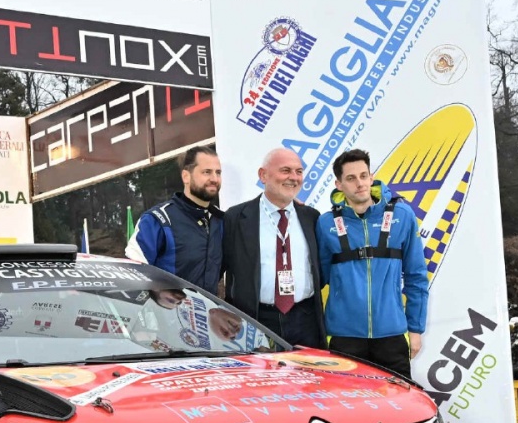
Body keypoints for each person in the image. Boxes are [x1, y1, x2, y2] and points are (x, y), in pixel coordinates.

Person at [315, 148, 427, 379]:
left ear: (371, 177)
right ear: (338, 184)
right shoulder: (325, 223)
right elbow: (319, 278)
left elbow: (416, 276)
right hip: (343, 337)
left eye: (364, 176)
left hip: (392, 335)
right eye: (351, 178)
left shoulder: (403, 216)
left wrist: (415, 329)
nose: (359, 183)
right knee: (347, 411)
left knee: (398, 410)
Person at [222, 148, 324, 347]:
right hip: (256, 321)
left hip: (306, 320)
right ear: (263, 175)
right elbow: (220, 268)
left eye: (299, 172)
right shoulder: (236, 218)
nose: (293, 178)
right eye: (285, 170)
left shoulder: (311, 217)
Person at [125, 145, 224, 294]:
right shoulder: (158, 219)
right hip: (164, 315)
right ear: (186, 176)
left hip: (207, 315)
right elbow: (131, 276)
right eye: (206, 172)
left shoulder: (221, 221)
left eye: (218, 172)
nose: (214, 179)